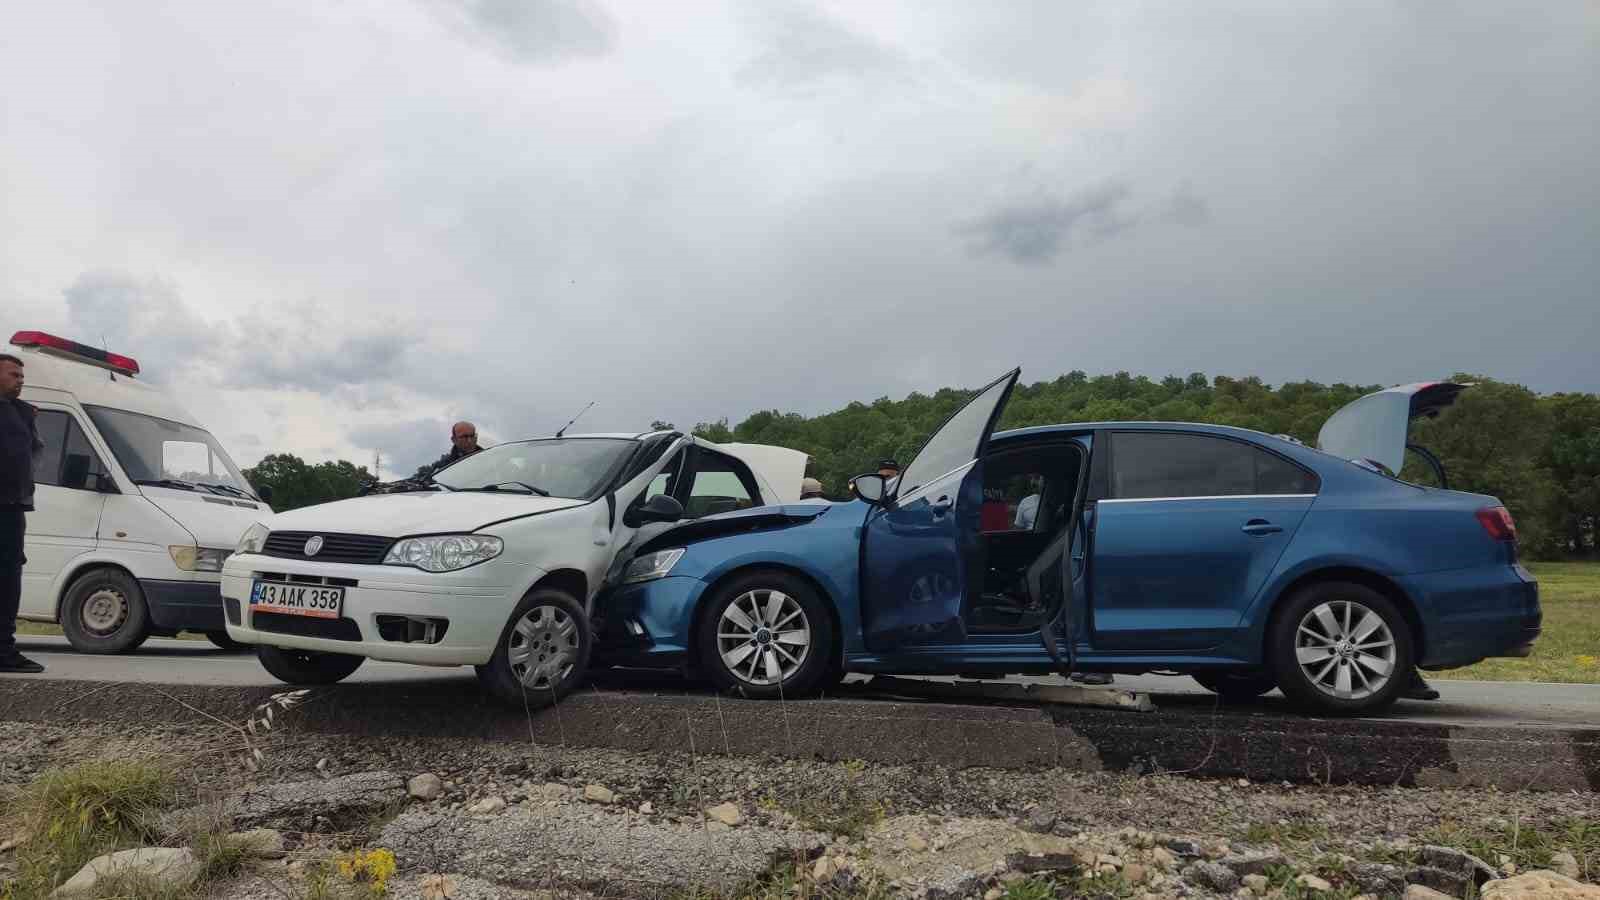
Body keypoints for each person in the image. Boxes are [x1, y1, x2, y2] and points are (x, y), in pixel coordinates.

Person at [0, 353, 45, 673]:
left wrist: (29, 418)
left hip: (12, 508)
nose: (21, 379)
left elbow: (33, 453)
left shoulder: (20, 412)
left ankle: (3, 649)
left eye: (21, 375)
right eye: (14, 374)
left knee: (8, 579)